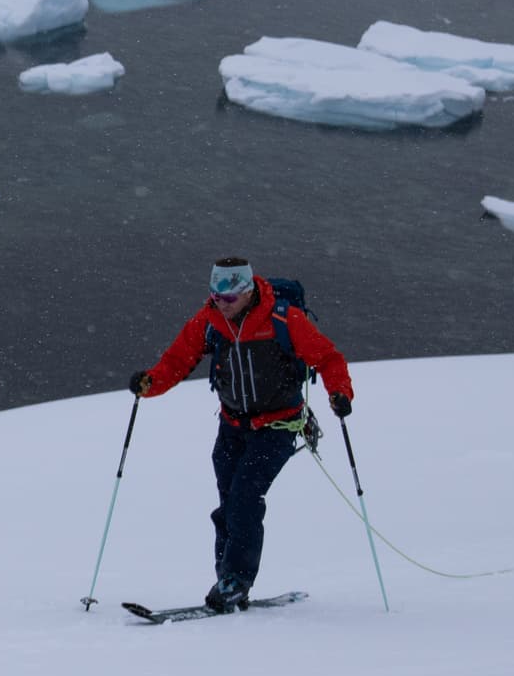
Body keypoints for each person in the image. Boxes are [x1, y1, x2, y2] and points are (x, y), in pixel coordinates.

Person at [133, 257, 353, 611]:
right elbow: (177, 361)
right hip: (232, 426)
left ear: (247, 291)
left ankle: (236, 580)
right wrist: (149, 384)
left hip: (278, 426)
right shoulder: (209, 322)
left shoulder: (283, 318)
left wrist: (339, 393)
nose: (222, 303)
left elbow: (328, 358)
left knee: (245, 498)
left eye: (229, 297)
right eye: (216, 295)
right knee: (228, 503)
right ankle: (228, 579)